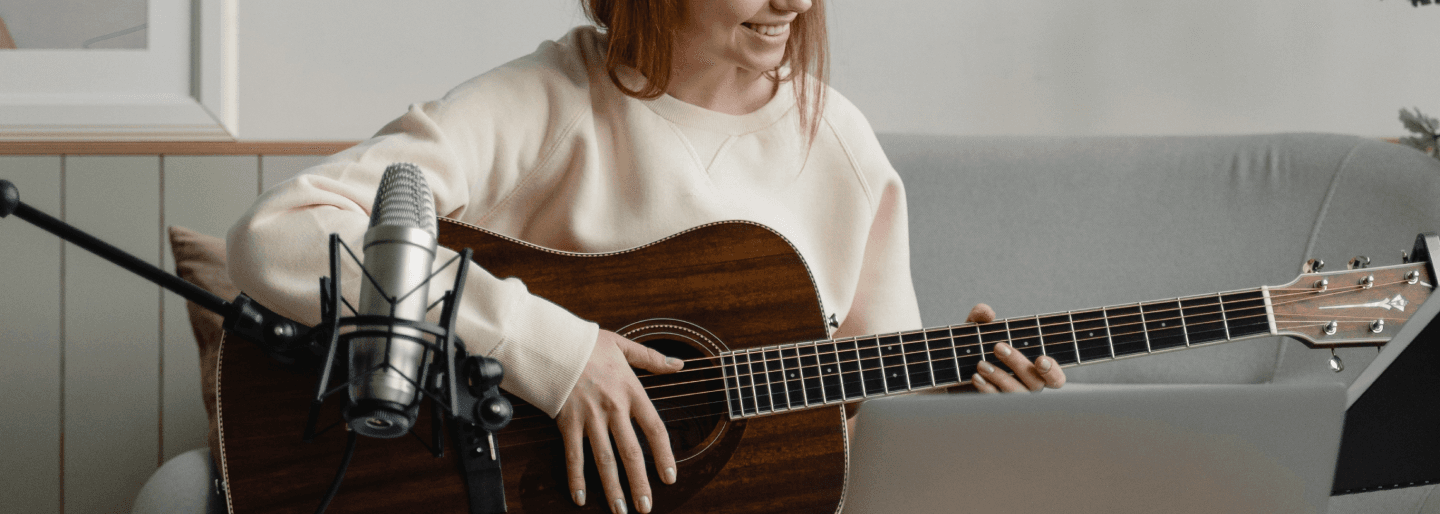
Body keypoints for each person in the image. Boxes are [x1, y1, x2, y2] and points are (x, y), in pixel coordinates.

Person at [227, 1, 1067, 513]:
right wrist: (551, 349)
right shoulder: (544, 101)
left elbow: (857, 410)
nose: (797, 2)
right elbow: (281, 232)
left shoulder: (840, 142)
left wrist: (954, 395)